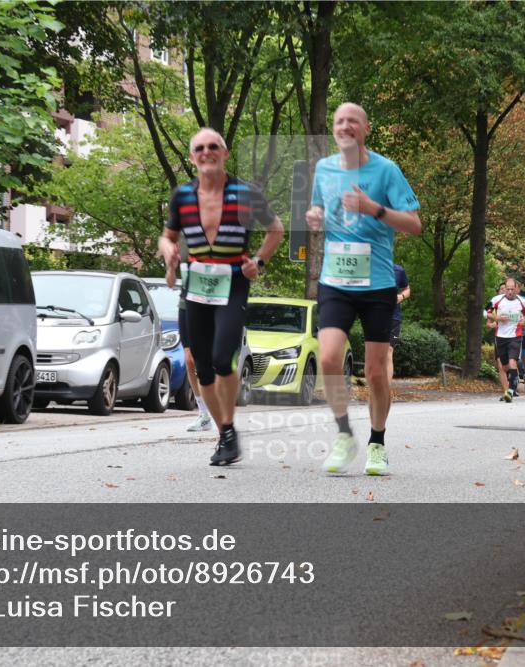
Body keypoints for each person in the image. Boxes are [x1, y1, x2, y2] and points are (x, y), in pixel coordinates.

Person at [305, 102, 421, 476]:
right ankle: (343, 434)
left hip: (378, 284)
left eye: (352, 121)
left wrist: (375, 209)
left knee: (374, 373)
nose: (345, 126)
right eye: (339, 121)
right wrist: (315, 218)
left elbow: (415, 225)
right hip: (336, 280)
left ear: (366, 128)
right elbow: (318, 212)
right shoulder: (323, 169)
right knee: (327, 359)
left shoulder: (386, 171)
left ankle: (377, 442)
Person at [160, 128, 284, 466]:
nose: (206, 152)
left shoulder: (246, 193)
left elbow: (277, 229)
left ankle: (228, 427)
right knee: (201, 367)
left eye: (213, 146)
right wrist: (169, 250)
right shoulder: (182, 196)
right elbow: (167, 236)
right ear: (191, 157)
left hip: (232, 280)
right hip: (197, 283)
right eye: (199, 148)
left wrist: (258, 261)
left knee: (221, 356)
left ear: (225, 153)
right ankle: (226, 432)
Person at [487, 278, 525, 403]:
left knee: (513, 362)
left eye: (512, 289)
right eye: (508, 289)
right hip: (500, 336)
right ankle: (513, 381)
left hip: (515, 335)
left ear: (516, 289)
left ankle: (510, 391)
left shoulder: (521, 301)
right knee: (505, 366)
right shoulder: (497, 300)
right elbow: (486, 312)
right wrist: (497, 317)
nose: (510, 292)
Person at [387, 262, 411, 382]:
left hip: (393, 317)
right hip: (373, 316)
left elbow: (407, 289)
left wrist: (401, 296)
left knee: (388, 350)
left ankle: (384, 389)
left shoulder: (398, 270)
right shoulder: (370, 267)